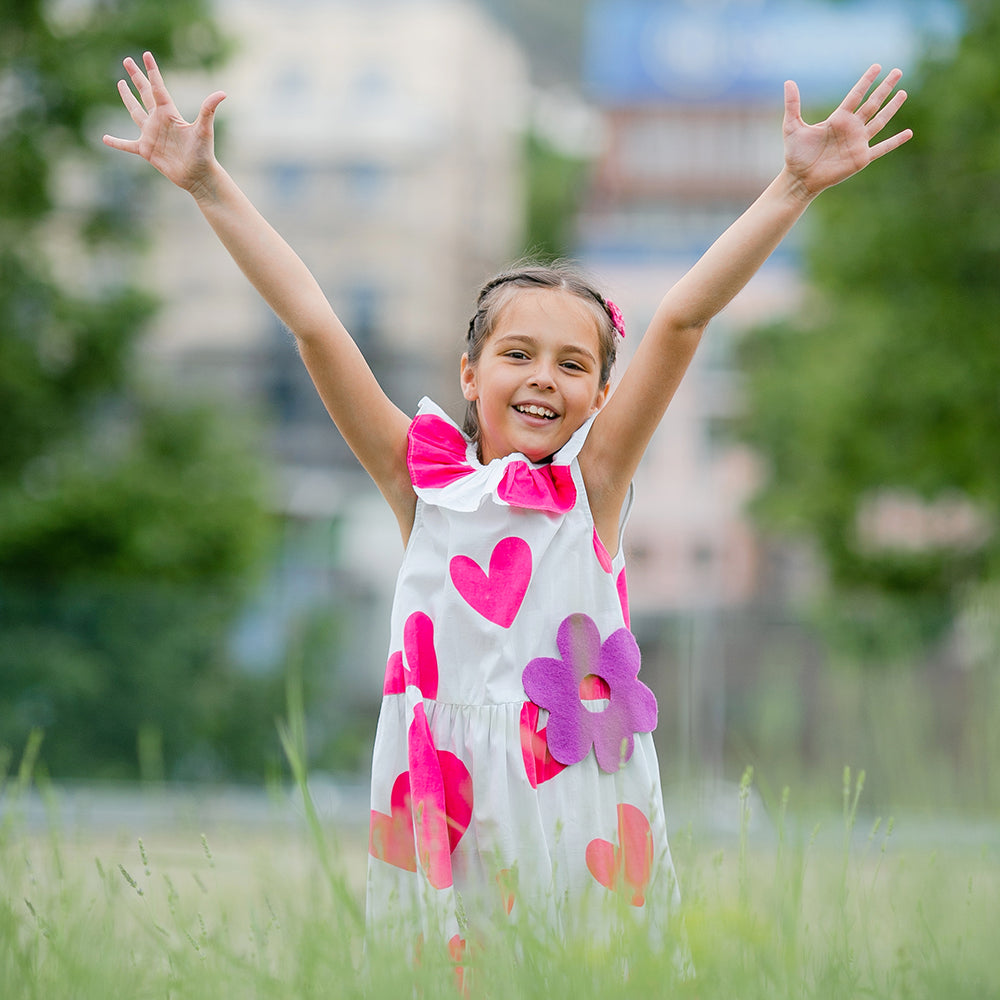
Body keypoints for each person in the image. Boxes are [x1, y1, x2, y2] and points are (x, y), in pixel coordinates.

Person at [104, 53, 911, 955]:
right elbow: (313, 320)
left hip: (573, 787)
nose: (542, 379)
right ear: (468, 373)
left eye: (573, 365)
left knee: (586, 963)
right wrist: (209, 184)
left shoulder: (592, 489)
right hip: (438, 788)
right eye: (517, 355)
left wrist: (792, 187)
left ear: (603, 393)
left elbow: (681, 319)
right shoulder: (424, 488)